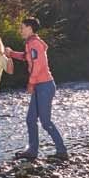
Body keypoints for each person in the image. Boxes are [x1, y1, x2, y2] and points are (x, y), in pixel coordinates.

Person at [7, 16, 68, 161]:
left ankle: (62, 151)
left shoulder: (34, 43)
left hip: (44, 86)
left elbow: (38, 65)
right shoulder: (31, 43)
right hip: (40, 86)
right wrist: (11, 53)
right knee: (30, 119)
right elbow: (26, 57)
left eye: (22, 27)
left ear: (29, 28)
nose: (20, 30)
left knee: (45, 122)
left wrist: (31, 83)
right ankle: (32, 151)